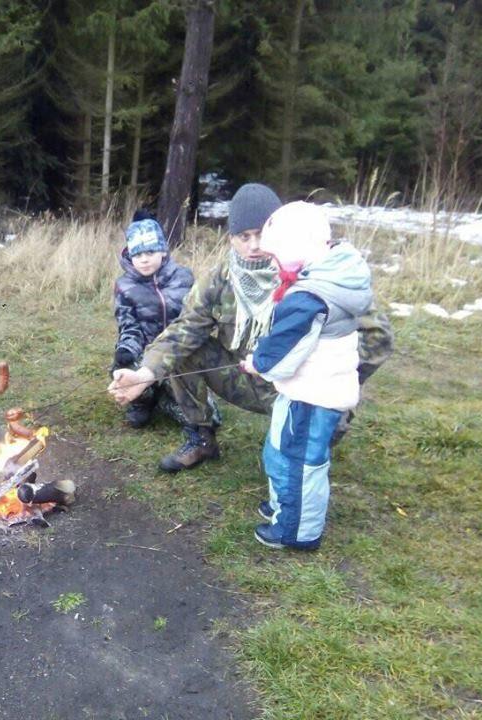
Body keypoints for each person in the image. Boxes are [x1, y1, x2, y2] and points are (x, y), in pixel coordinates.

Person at [108, 183, 394, 472]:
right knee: (185, 350)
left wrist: (339, 381)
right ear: (232, 238)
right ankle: (201, 438)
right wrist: (144, 374)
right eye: (244, 236)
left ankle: (309, 449)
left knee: (300, 464)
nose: (254, 245)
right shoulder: (221, 278)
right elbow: (186, 329)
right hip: (248, 378)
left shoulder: (316, 272)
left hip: (305, 387)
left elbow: (378, 336)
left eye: (261, 234)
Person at [240, 202, 372, 549]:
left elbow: (282, 353)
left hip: (315, 396)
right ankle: (284, 505)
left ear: (294, 250)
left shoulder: (308, 297)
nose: (270, 261)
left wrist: (257, 363)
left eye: (275, 255)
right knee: (278, 449)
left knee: (299, 463)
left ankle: (297, 531)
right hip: (306, 389)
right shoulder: (333, 275)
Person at [112, 214, 194, 429]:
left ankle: (168, 399)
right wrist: (127, 349)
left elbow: (195, 320)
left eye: (150, 252)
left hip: (177, 352)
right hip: (144, 351)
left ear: (163, 250)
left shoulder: (185, 277)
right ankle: (142, 401)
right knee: (123, 367)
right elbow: (128, 325)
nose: (144, 259)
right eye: (137, 254)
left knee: (205, 419)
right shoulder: (124, 286)